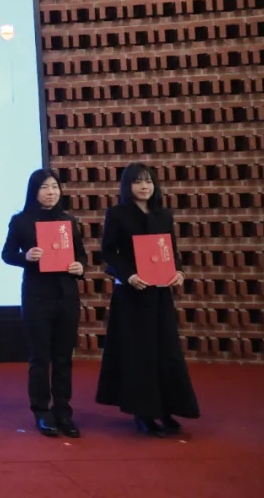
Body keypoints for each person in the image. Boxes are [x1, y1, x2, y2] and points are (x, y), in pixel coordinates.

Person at [96, 163, 200, 436]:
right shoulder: (117, 214)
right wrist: (128, 275)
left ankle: (166, 408)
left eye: (148, 181)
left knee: (165, 350)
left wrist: (178, 271)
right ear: (127, 186)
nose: (144, 187)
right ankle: (143, 413)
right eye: (138, 182)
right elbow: (109, 252)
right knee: (140, 352)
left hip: (160, 292)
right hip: (132, 293)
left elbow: (171, 250)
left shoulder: (163, 214)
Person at [0, 169, 86, 438]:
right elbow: (7, 254)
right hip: (37, 296)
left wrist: (79, 267)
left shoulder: (68, 221)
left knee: (63, 358)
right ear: (34, 191)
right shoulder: (21, 221)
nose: (51, 192)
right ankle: (41, 410)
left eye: (55, 187)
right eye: (45, 187)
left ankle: (63, 410)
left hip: (66, 296)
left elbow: (81, 257)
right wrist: (26, 256)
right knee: (40, 358)